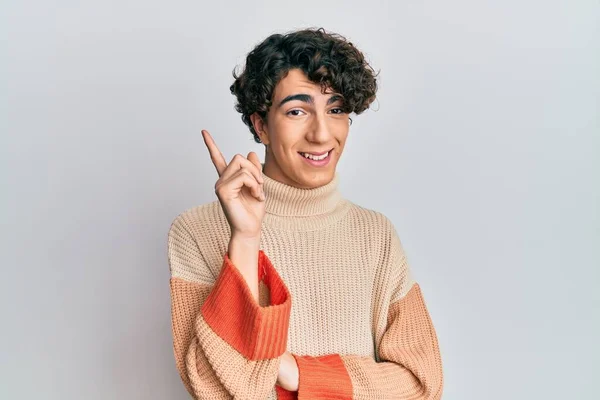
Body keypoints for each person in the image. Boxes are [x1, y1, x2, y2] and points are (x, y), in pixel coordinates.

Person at [167, 27, 444, 399]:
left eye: (336, 109)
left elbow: (421, 384)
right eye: (297, 111)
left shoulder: (375, 234)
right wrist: (246, 239)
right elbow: (213, 387)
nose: (321, 134)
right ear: (260, 125)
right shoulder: (197, 231)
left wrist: (297, 373)